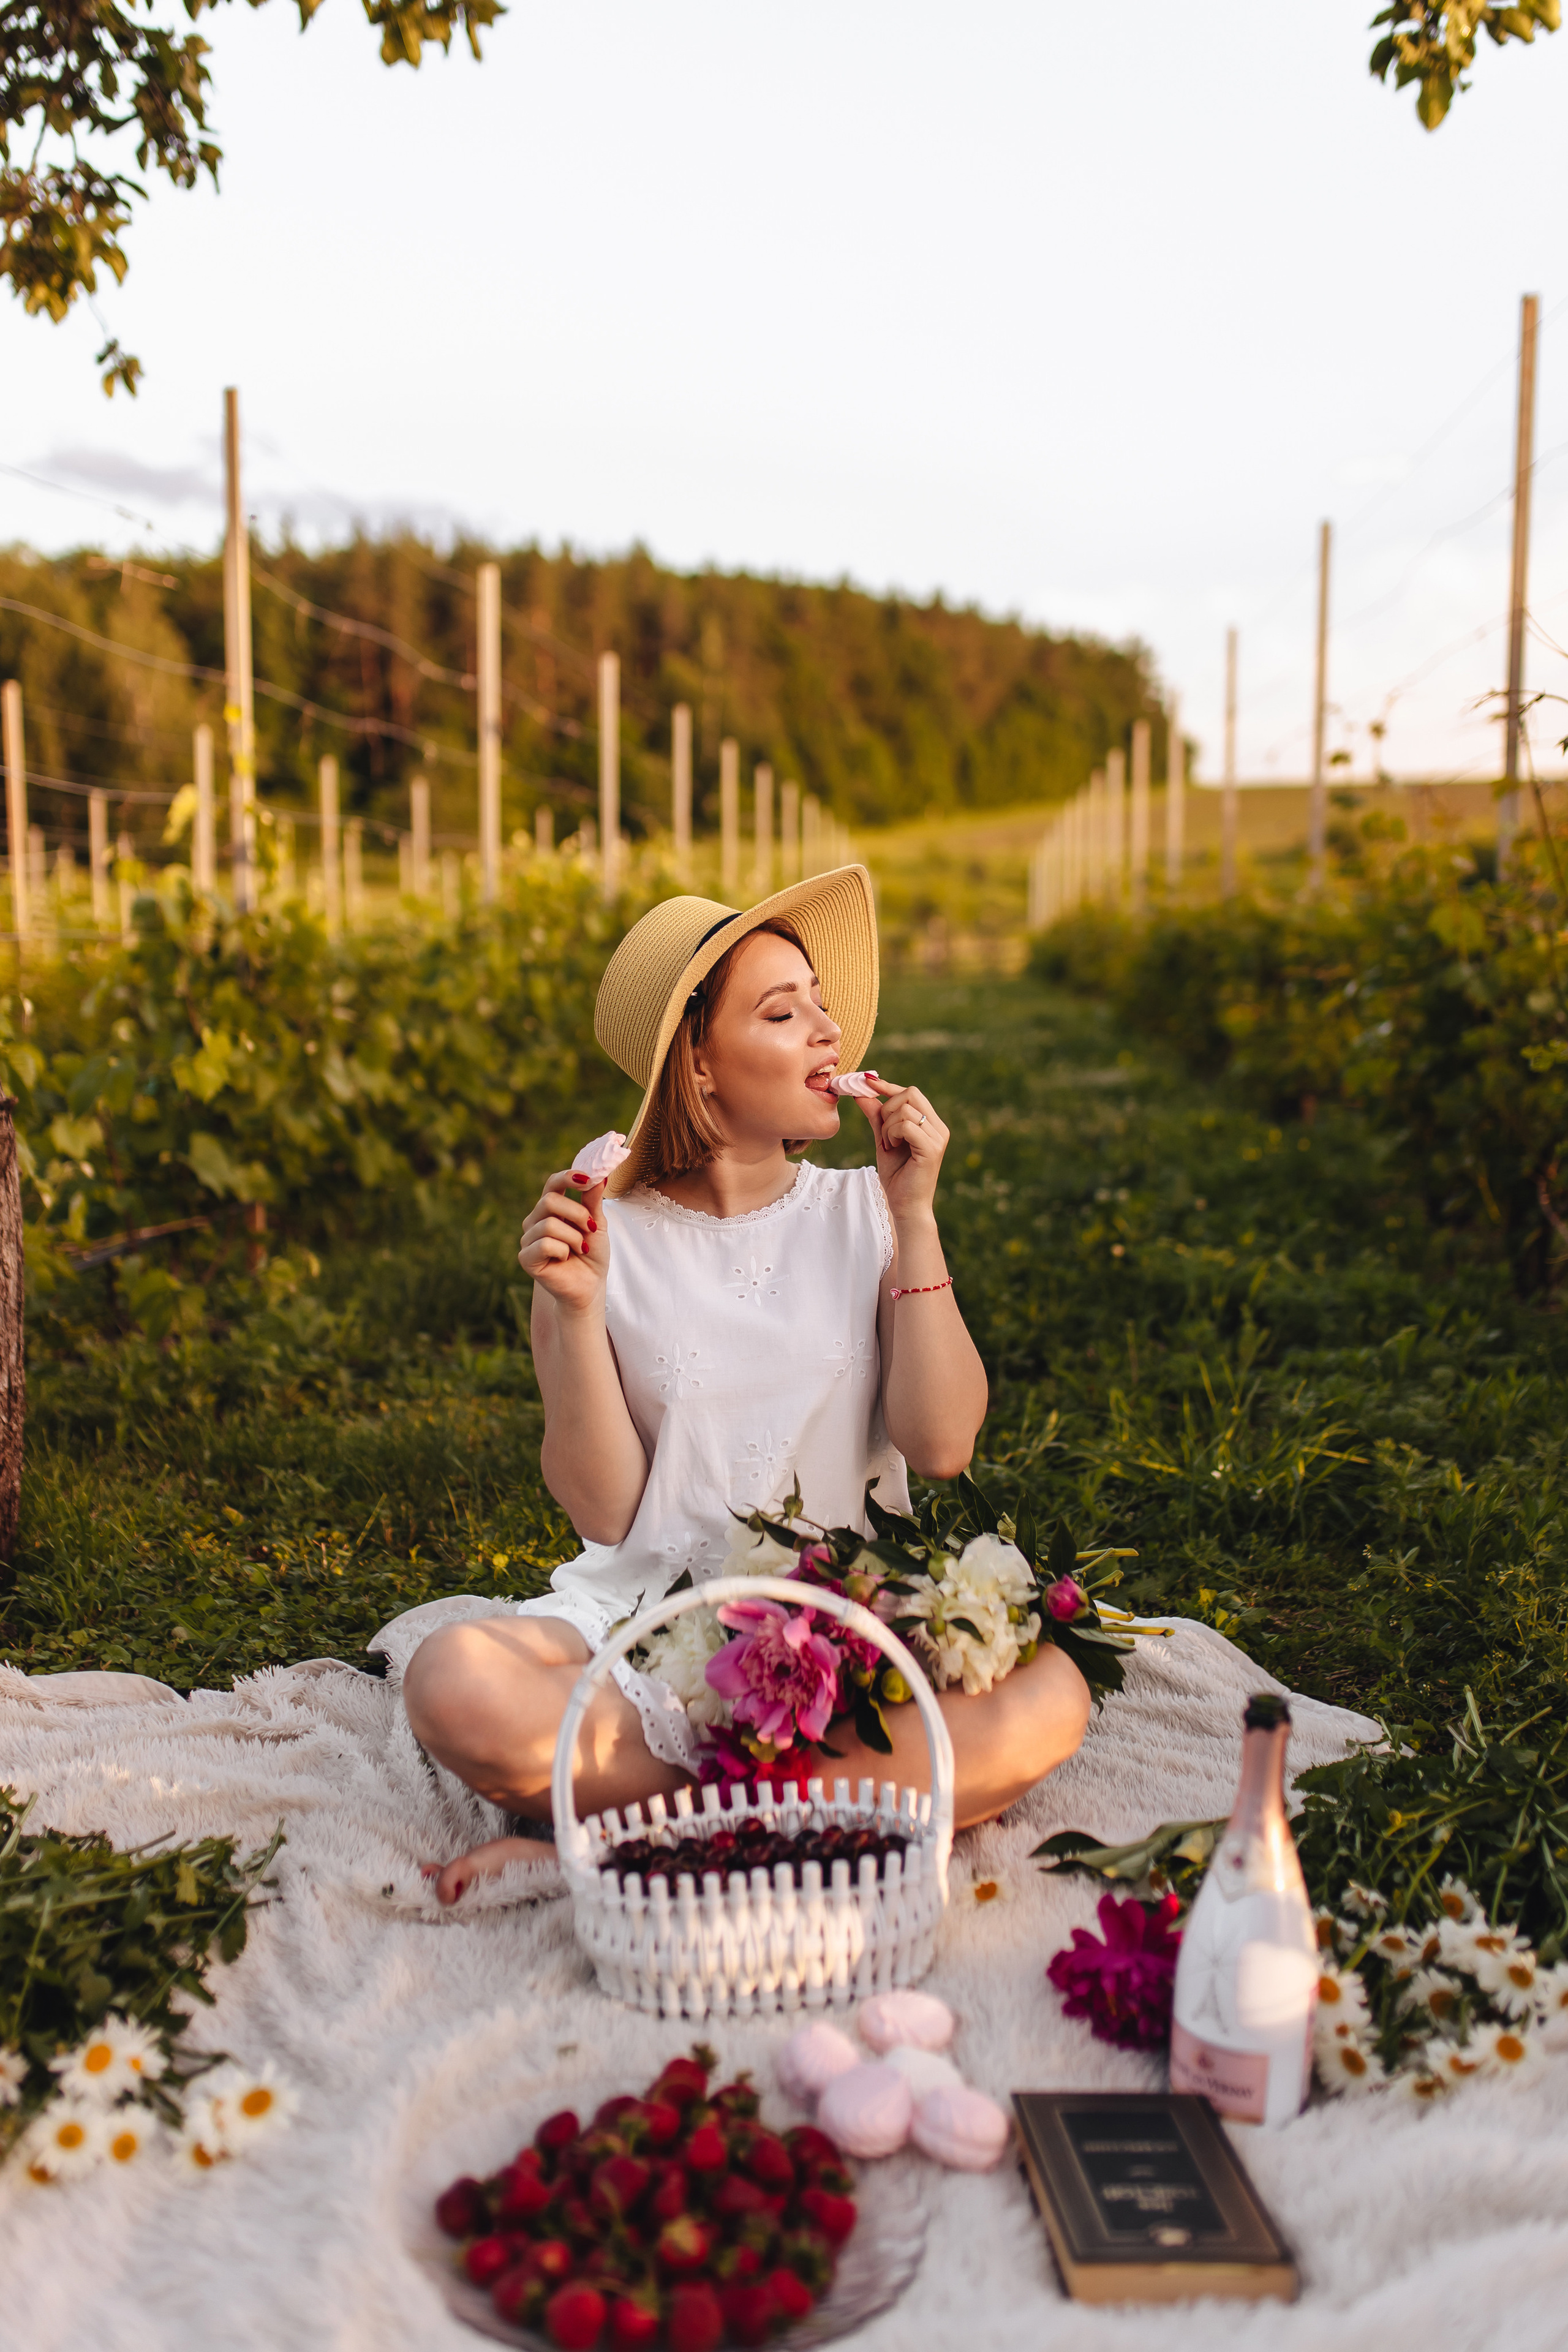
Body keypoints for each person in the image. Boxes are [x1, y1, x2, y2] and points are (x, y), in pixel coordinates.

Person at [403, 866, 1091, 1901]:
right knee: (453, 1681)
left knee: (1054, 1695)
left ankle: (644, 1843)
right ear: (698, 1063)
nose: (829, 1031)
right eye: (782, 1011)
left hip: (849, 1615)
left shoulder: (867, 1211)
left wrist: (916, 1219)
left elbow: (943, 1445)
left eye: (821, 1002)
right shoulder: (601, 1230)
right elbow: (604, 1512)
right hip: (654, 1619)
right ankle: (833, 1817)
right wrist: (578, 1310)